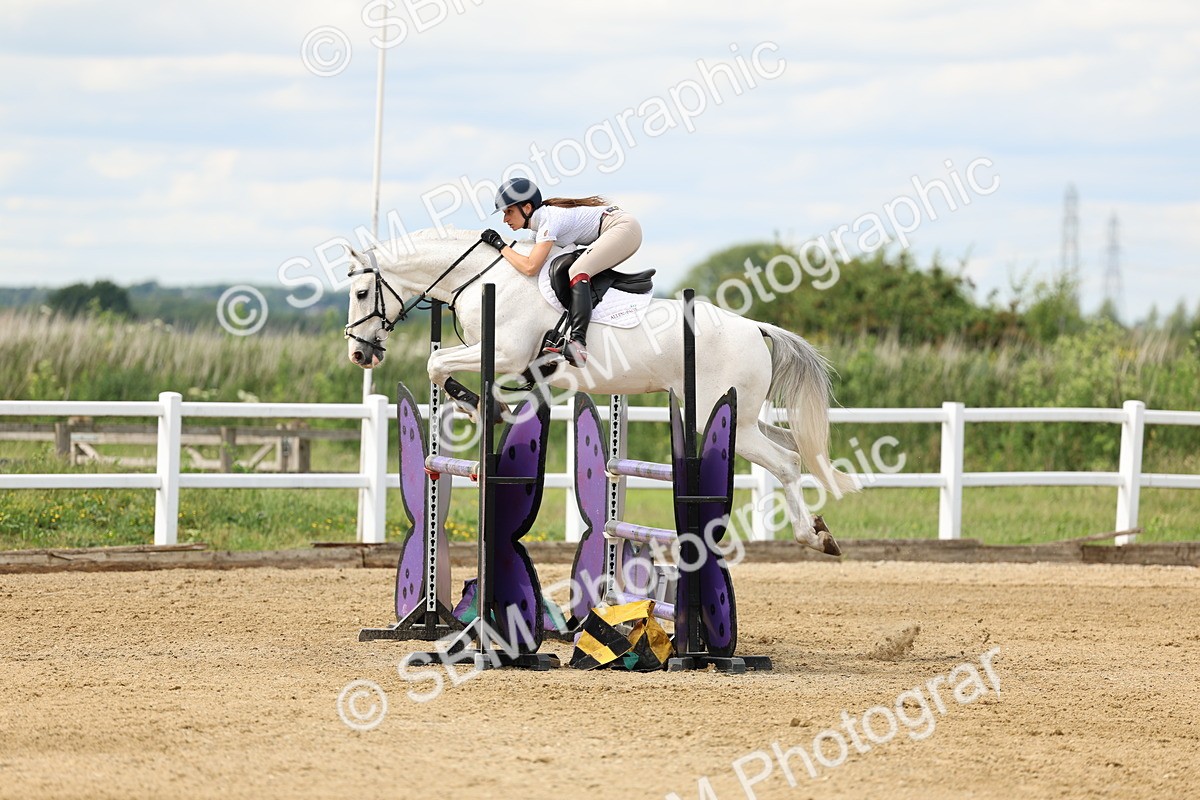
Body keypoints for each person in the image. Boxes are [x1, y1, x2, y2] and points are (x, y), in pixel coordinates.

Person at [480, 177, 643, 367]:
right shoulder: (540, 226)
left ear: (526, 208)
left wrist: (500, 246)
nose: (505, 219)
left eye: (509, 211)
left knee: (578, 270)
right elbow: (531, 264)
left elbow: (530, 267)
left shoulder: (549, 220)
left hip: (623, 228)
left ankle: (578, 343)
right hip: (615, 228)